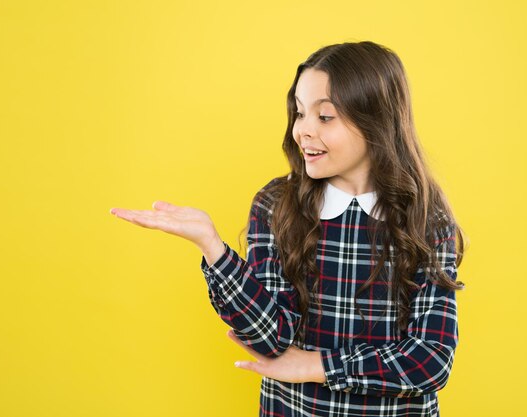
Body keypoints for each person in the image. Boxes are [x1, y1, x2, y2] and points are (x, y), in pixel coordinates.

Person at [110, 40, 466, 417]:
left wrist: (317, 366)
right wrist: (212, 248)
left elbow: (430, 361)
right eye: (299, 113)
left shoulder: (425, 218)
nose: (303, 131)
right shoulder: (276, 204)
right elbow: (271, 338)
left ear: (375, 120)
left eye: (324, 117)